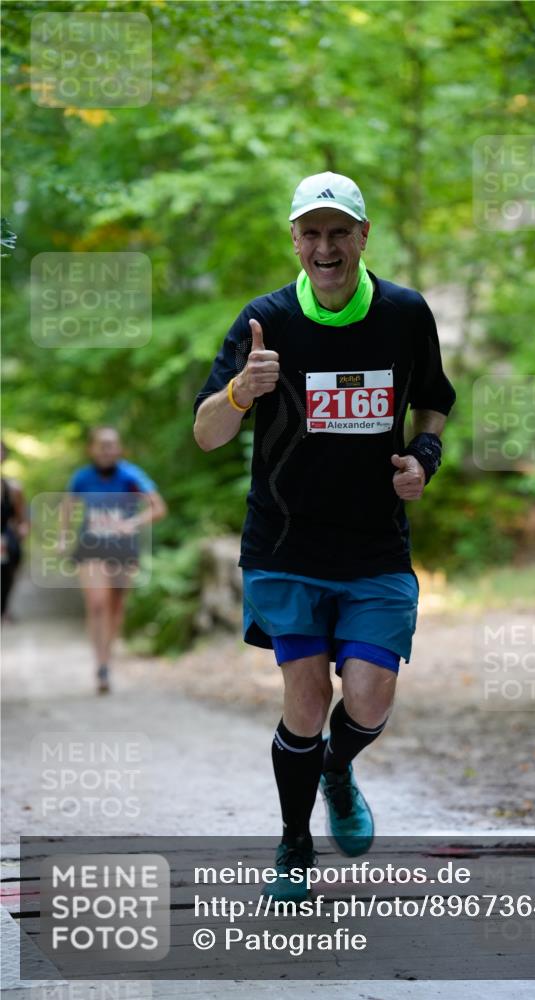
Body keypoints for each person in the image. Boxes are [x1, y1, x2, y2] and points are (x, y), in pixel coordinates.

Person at [193, 171, 456, 901]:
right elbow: (207, 434)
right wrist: (242, 390)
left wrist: (423, 459)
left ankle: (336, 768)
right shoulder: (263, 322)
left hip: (374, 545)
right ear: (294, 241)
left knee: (369, 700)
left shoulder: (405, 313)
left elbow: (433, 403)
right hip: (284, 546)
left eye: (338, 231)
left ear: (363, 237)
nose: (325, 246)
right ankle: (293, 838)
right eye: (310, 232)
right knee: (303, 702)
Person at [60, 426, 167, 694]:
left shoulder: (131, 475)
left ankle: (107, 659)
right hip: (91, 545)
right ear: (91, 449)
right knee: (97, 603)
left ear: (119, 449)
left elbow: (158, 508)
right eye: (102, 445)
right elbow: (67, 507)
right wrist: (63, 537)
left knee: (116, 605)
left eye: (112, 445)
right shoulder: (81, 478)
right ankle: (100, 664)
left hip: (122, 547)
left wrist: (132, 522)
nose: (107, 450)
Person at [1, 440, 29, 621]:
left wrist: (23, 530)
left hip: (4, 538)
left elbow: (22, 519)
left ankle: (3, 608)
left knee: (8, 567)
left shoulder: (12, 488)